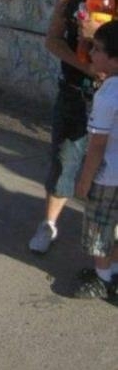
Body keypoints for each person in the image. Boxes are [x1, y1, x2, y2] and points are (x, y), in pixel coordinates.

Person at [29, 0, 118, 254]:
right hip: (75, 92)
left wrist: (98, 35)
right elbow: (53, 40)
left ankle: (108, 241)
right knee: (65, 158)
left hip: (114, 98)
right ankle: (49, 224)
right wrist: (87, 67)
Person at [73, 20, 118, 300]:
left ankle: (102, 279)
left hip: (107, 176)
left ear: (115, 60)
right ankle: (113, 270)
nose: (91, 53)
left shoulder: (108, 95)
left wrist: (85, 180)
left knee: (100, 228)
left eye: (98, 49)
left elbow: (98, 145)